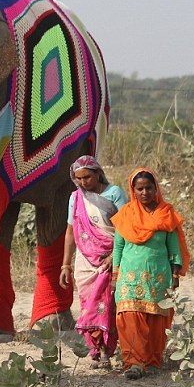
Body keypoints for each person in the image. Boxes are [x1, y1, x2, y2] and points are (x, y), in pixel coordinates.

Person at [110, 168, 190, 380]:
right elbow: (118, 248)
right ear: (133, 191)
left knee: (156, 319)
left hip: (158, 277)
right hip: (129, 277)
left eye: (149, 188)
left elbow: (174, 249)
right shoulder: (125, 215)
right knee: (128, 319)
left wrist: (175, 277)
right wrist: (114, 276)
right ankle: (134, 363)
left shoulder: (167, 215)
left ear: (156, 189)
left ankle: (152, 362)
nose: (144, 192)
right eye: (140, 189)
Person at [58, 156, 127, 369]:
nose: (83, 182)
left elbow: (125, 229)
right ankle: (95, 349)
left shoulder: (114, 193)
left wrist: (113, 257)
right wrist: (65, 265)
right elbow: (71, 232)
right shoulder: (76, 198)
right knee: (88, 304)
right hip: (85, 260)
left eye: (87, 177)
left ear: (98, 173)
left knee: (106, 304)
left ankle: (107, 350)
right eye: (78, 178)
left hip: (110, 257)